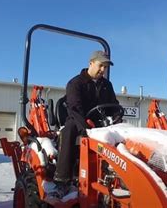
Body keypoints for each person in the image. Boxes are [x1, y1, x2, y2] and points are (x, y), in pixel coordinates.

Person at [49, 50, 119, 198]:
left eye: (105, 67)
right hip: (78, 121)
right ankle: (62, 181)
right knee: (68, 130)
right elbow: (75, 108)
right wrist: (87, 129)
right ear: (91, 63)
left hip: (100, 121)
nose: (102, 70)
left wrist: (117, 116)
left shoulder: (107, 85)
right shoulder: (75, 83)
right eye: (100, 66)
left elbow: (113, 105)